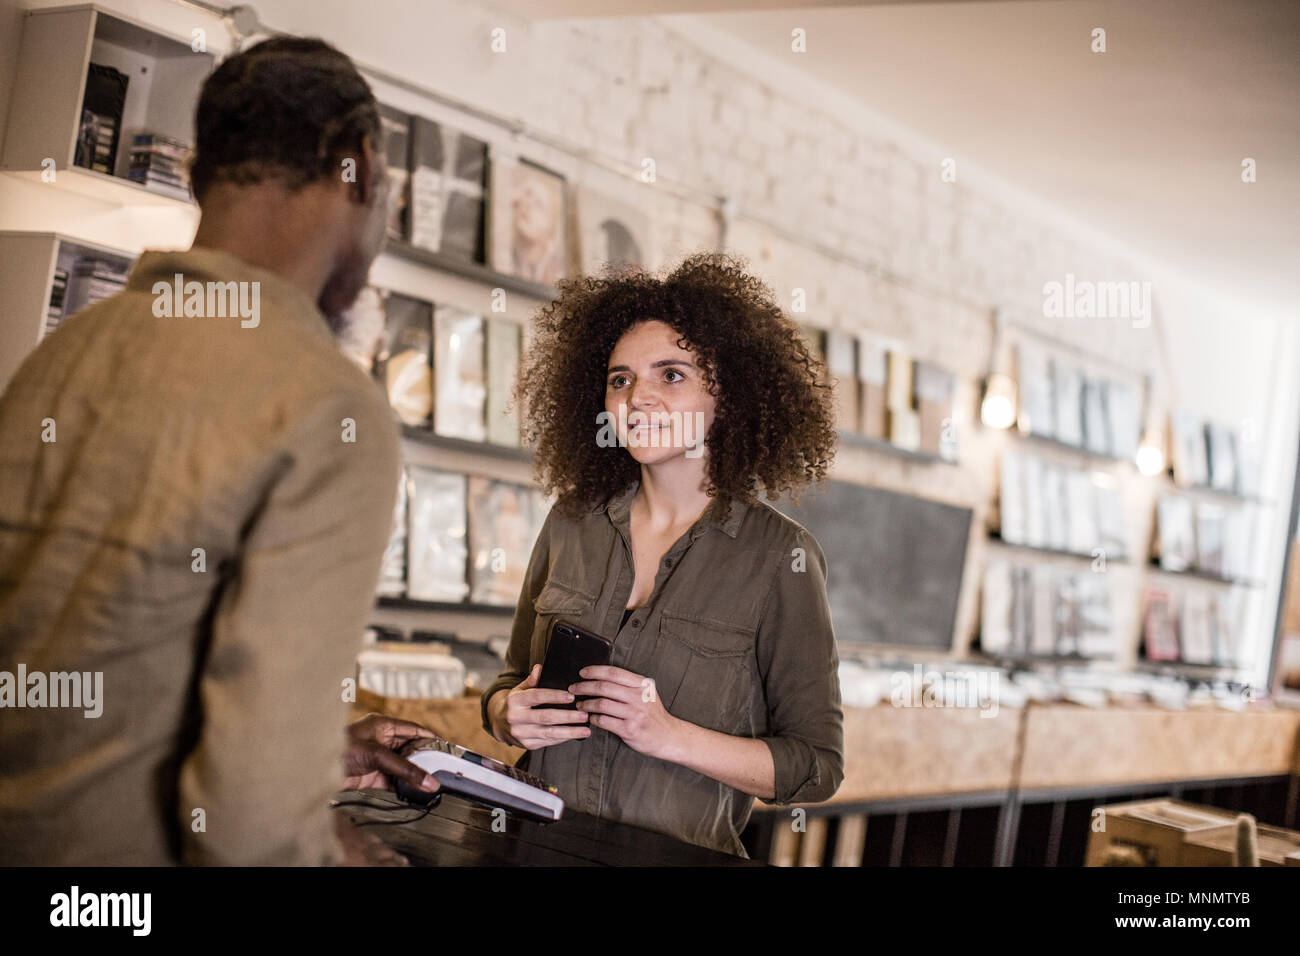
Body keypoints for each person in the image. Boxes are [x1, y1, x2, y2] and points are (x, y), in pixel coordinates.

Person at [0, 36, 436, 865]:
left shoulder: (61, 357)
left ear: (202, 168)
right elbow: (249, 828)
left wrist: (309, 750)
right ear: (363, 168)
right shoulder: (327, 410)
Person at [481, 253, 845, 857]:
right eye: (620, 379)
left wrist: (669, 735)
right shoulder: (570, 521)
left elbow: (816, 767)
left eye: (671, 375)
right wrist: (504, 714)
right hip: (534, 848)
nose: (638, 398)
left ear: (725, 396)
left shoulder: (782, 558)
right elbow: (507, 684)